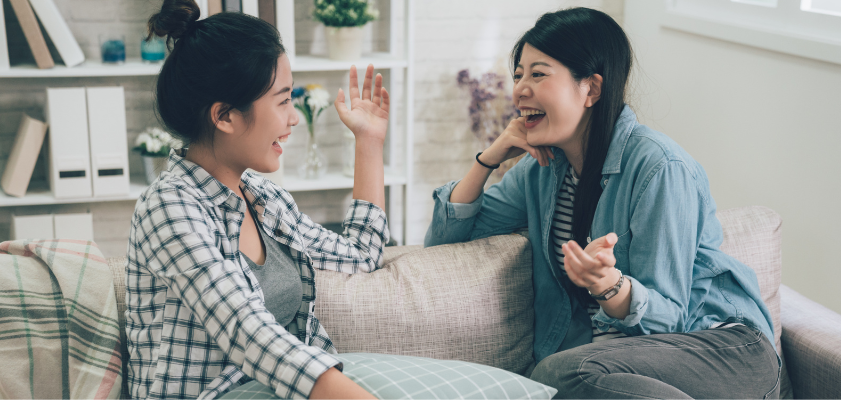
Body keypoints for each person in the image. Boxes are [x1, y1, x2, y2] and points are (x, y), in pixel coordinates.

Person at [424, 7, 780, 399]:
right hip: (621, 366)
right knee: (550, 378)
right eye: (519, 74)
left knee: (559, 373)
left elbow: (670, 318)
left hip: (722, 350)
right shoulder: (540, 170)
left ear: (591, 89)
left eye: (538, 73)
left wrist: (611, 286)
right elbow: (445, 242)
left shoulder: (660, 167)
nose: (520, 89)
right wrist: (489, 159)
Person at [126, 1, 388, 398]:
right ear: (225, 116)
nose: (294, 117)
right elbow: (247, 330)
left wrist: (368, 142)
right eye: (283, 100)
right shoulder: (168, 208)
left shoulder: (266, 201)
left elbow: (361, 255)